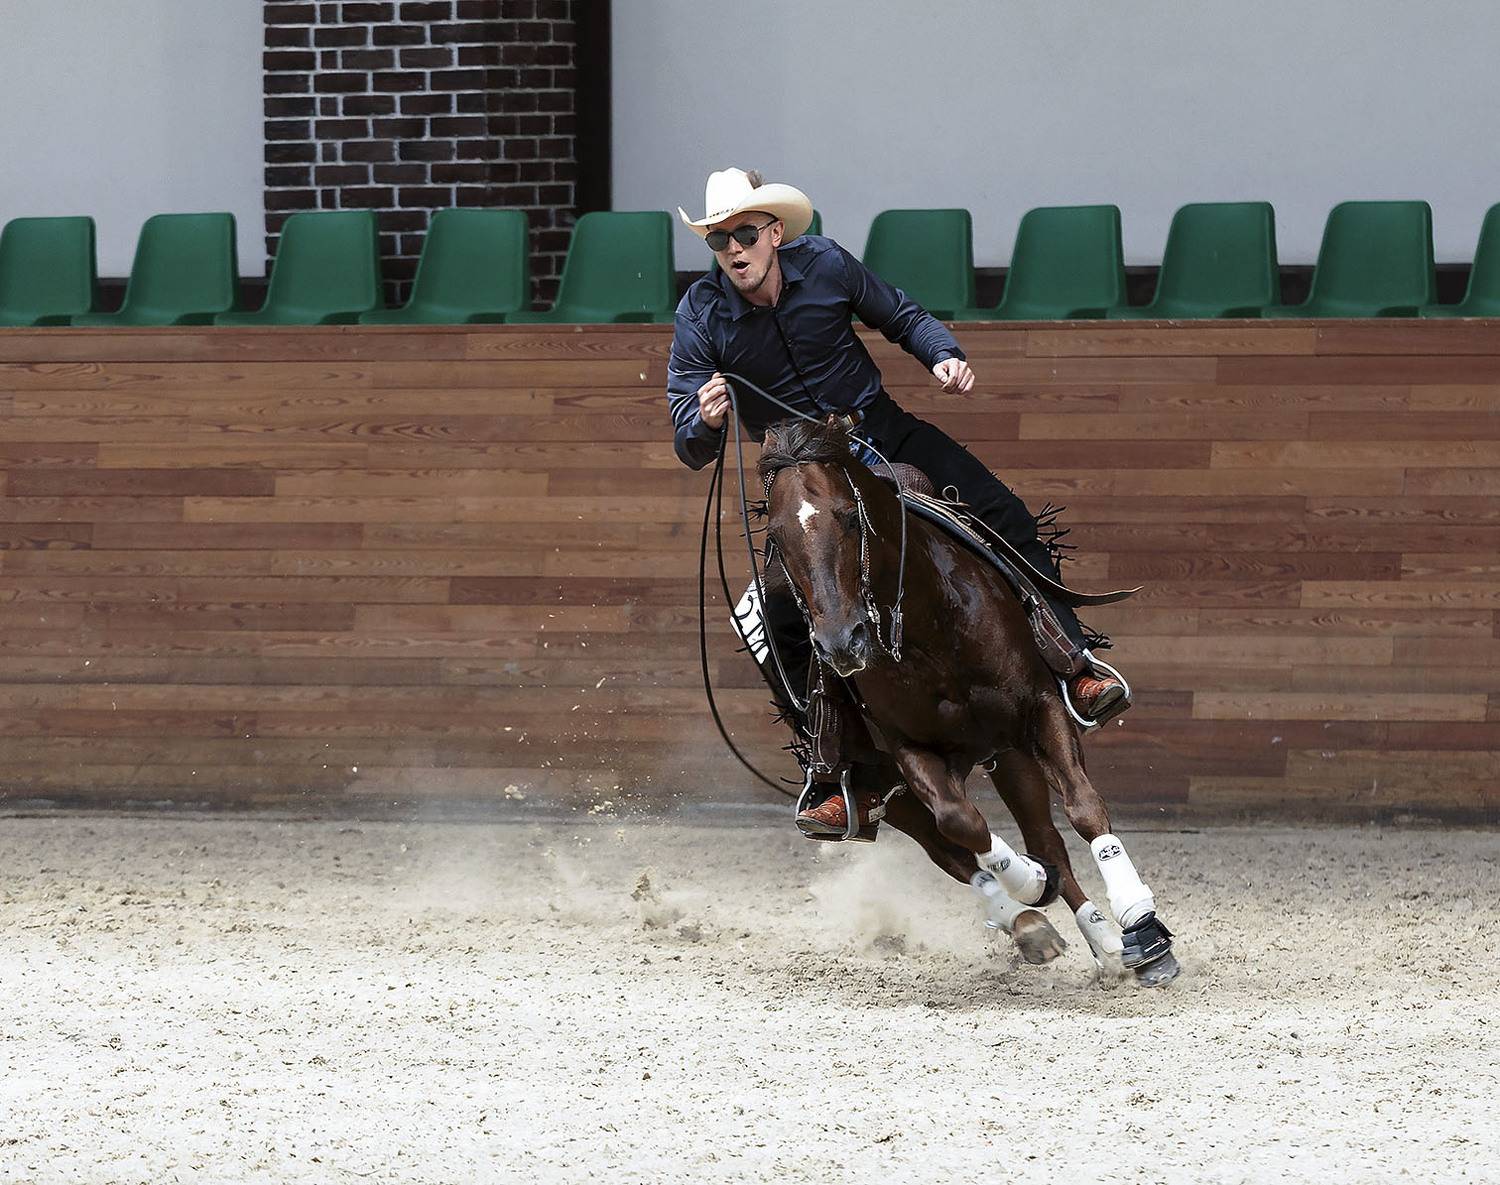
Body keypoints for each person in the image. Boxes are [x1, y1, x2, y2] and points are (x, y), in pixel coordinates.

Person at [666, 167, 1127, 835]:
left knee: (1005, 514)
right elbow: (687, 437)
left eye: (744, 234)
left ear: (774, 233)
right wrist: (705, 420)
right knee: (776, 616)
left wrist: (941, 354)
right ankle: (834, 773)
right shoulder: (700, 312)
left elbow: (900, 314)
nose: (733, 249)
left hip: (879, 431)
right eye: (719, 240)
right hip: (799, 475)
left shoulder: (825, 264)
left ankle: (1073, 666)